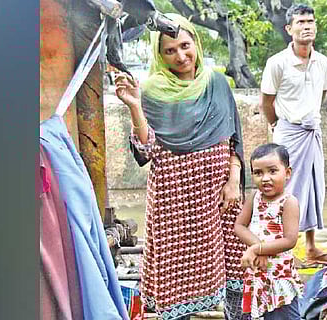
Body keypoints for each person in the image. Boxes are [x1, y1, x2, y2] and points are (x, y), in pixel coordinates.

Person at [114, 13, 247, 320]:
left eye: (185, 46)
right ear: (159, 55)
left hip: (217, 192)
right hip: (173, 199)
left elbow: (234, 137)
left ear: (196, 44)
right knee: (176, 278)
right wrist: (135, 107)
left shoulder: (216, 83)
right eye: (169, 51)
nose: (180, 56)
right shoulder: (151, 93)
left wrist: (233, 181)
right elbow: (146, 151)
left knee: (233, 265)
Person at [259, 4, 327, 265]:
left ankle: (312, 247)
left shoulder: (322, 62)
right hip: (287, 134)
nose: (307, 26)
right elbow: (267, 103)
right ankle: (285, 251)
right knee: (285, 190)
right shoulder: (277, 63)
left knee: (314, 188)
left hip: (312, 132)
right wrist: (279, 127)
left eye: (310, 21)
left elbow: (321, 95)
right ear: (289, 28)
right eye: (301, 22)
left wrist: (308, 118)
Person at [234, 143, 303, 320]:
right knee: (254, 314)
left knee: (284, 314)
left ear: (287, 173)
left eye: (272, 171)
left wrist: (257, 249)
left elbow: (289, 240)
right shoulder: (254, 198)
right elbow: (239, 226)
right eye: (258, 173)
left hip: (279, 275)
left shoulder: (289, 202)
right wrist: (259, 248)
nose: (265, 178)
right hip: (256, 272)